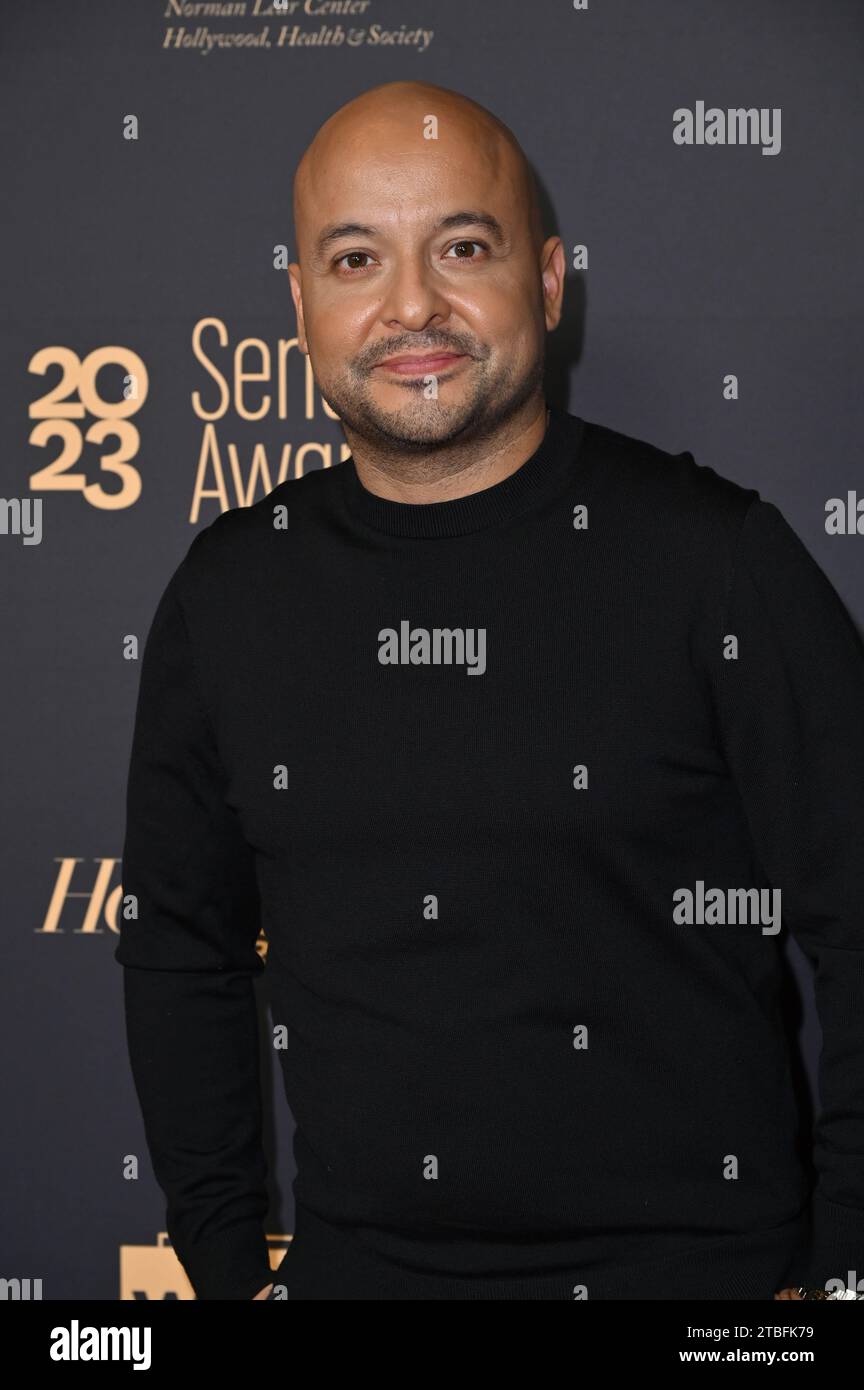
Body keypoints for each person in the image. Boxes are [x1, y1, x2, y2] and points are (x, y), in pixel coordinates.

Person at [115, 79, 864, 1301]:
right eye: (357, 258)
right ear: (301, 304)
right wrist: (218, 1256)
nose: (413, 303)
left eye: (463, 245)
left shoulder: (719, 561)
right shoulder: (232, 590)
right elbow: (179, 943)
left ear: (552, 280)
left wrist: (842, 1278)